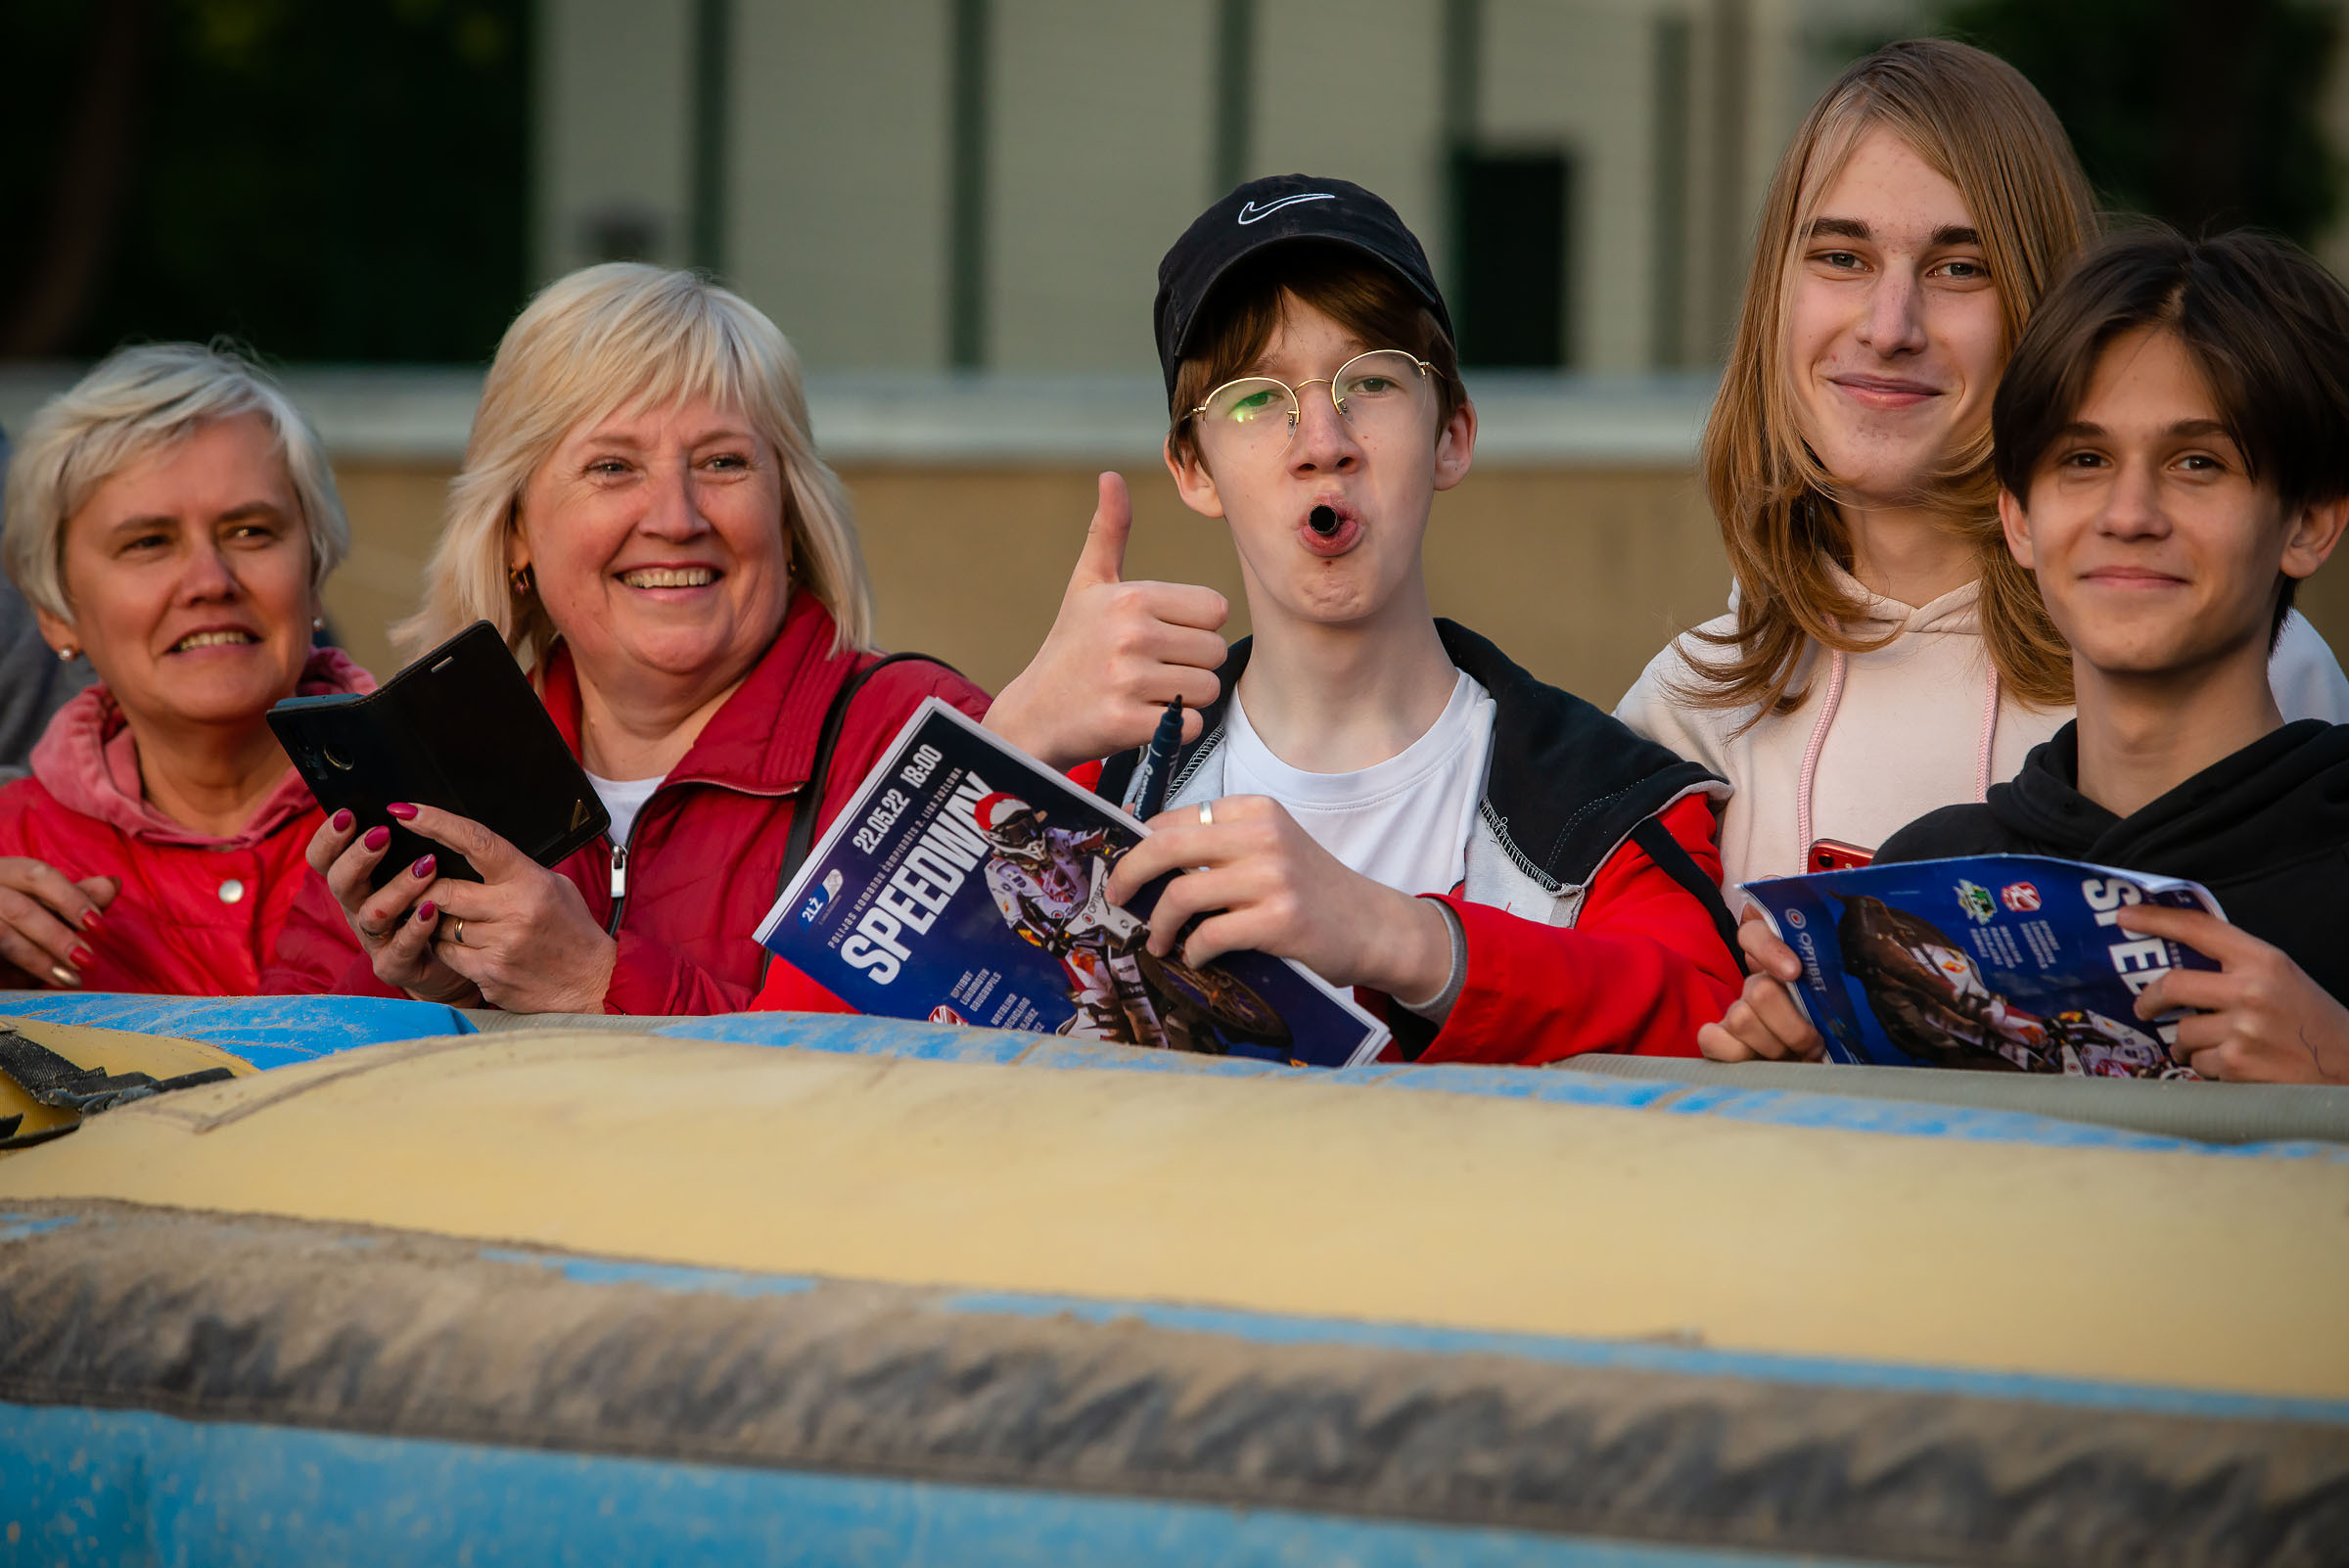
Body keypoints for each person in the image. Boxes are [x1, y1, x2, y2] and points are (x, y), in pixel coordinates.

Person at [310, 263, 1159, 1017]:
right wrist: (437, 997)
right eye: (613, 467)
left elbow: (949, 1099)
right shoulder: (439, 775)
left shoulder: (922, 739)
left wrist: (597, 982)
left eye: (722, 463)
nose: (677, 519)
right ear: (517, 532)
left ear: (788, 516)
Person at [1614, 39, 2349, 892]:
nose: (1890, 327)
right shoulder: (1687, 711)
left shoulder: (2239, 652)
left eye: (1959, 268)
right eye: (1841, 257)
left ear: (2044, 307)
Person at [1072, 174, 1742, 1064]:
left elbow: (1716, 1023)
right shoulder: (1088, 786)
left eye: (1372, 382)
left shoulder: (1605, 804)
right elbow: (840, 1046)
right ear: (1193, 470)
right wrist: (1004, 744)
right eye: (1254, 399)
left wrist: (1402, 941)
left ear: (1451, 438)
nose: (1322, 442)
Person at [1704, 229, 2349, 1084]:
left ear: (2308, 522)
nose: (2129, 512)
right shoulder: (1918, 888)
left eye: (2198, 462)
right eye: (2083, 460)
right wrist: (1800, 1073)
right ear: (2018, 520)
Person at [0, 344, 367, 994]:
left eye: (250, 531)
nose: (209, 581)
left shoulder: (452, 804)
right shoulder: (11, 852)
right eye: (147, 543)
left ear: (313, 578)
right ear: (57, 612)